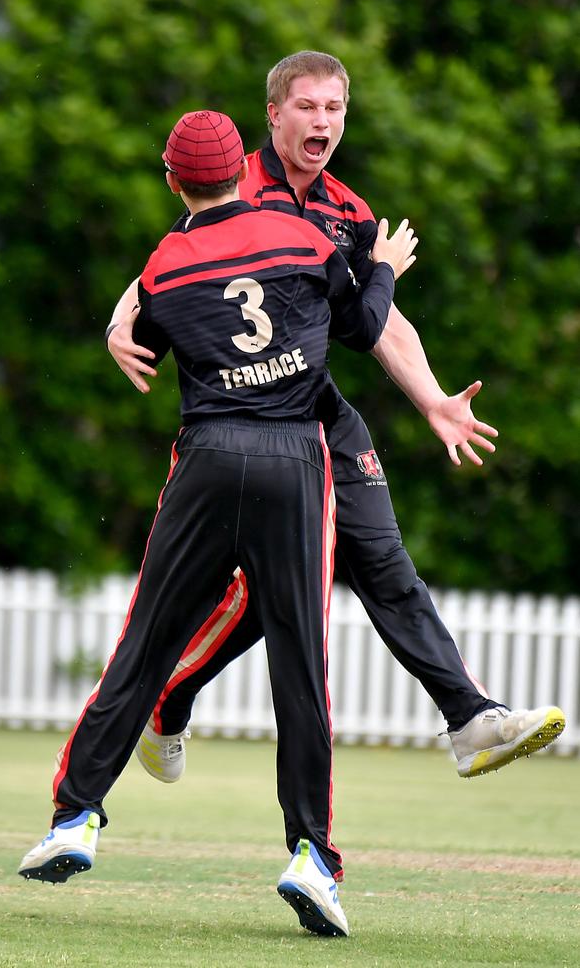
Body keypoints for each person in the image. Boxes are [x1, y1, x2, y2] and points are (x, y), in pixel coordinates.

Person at [108, 52, 565, 780]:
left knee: (384, 563)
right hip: (249, 420)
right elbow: (160, 266)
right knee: (265, 599)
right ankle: (169, 697)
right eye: (307, 107)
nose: (322, 121)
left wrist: (435, 401)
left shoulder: (347, 213)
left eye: (333, 109)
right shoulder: (233, 185)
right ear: (274, 115)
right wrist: (116, 324)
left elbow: (379, 322)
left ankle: (471, 719)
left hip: (321, 415)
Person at [19, 109, 419, 938]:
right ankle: (312, 855)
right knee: (299, 667)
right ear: (243, 169)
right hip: (293, 461)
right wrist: (380, 268)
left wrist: (118, 329)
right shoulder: (300, 236)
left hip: (205, 457)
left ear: (173, 182)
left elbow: (153, 335)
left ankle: (75, 818)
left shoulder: (165, 263)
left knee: (146, 645)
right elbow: (358, 324)